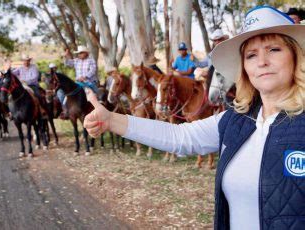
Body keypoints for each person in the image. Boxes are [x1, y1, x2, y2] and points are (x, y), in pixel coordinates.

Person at [84, 5, 305, 230]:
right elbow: (180, 136)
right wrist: (111, 120)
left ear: (296, 56)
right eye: (251, 55)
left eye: (274, 50)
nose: (262, 62)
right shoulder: (234, 121)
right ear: (244, 67)